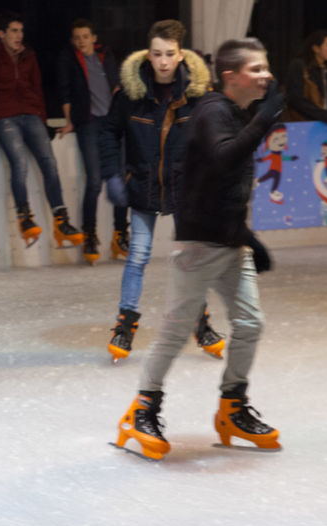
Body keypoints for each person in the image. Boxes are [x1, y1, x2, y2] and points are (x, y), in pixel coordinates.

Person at [114, 38, 283, 461]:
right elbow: (225, 158)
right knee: (175, 330)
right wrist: (265, 118)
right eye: (257, 69)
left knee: (249, 323)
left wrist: (248, 238)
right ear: (231, 76)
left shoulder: (239, 113)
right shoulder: (212, 111)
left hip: (229, 241)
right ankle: (141, 410)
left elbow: (223, 188)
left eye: (266, 68)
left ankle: (232, 406)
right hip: (199, 243)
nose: (266, 76)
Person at [98, 19, 225, 363]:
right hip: (142, 185)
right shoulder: (130, 95)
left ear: (181, 54)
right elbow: (109, 133)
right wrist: (112, 174)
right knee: (138, 255)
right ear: (148, 54)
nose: (164, 61)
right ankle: (125, 325)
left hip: (186, 190)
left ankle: (200, 322)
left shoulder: (197, 97)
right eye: (157, 54)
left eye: (170, 54)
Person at [0, 10, 84, 250]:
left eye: (21, 31)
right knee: (19, 162)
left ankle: (61, 221)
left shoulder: (29, 56)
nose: (19, 36)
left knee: (49, 163)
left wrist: (43, 120)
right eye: (14, 31)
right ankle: (25, 217)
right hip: (4, 116)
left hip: (31, 115)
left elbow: (37, 89)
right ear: (2, 34)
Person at [56, 19, 125, 264]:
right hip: (88, 123)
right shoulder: (70, 60)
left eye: (85, 36)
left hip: (111, 122)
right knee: (95, 182)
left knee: (118, 180)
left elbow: (117, 86)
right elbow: (64, 91)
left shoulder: (106, 56)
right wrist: (69, 120)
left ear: (93, 38)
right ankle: (90, 234)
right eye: (77, 37)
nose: (82, 41)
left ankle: (120, 234)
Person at [284, 30, 327, 124]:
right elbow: (295, 98)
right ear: (316, 48)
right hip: (304, 123)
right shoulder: (299, 65)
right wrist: (324, 115)